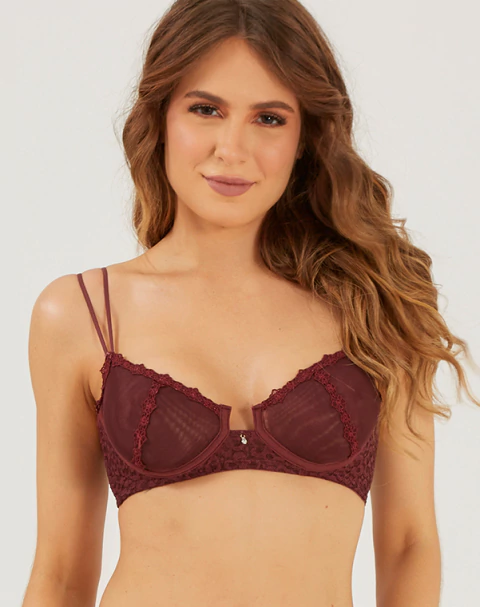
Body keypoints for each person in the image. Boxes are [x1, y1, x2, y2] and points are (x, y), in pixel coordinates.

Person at [22, 1, 480, 606]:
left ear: (304, 139)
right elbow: (60, 574)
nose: (231, 149)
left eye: (268, 118)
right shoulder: (83, 314)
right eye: (206, 109)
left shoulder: (374, 303)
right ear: (160, 118)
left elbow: (409, 544)